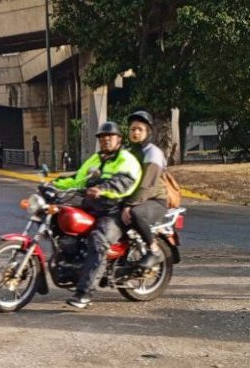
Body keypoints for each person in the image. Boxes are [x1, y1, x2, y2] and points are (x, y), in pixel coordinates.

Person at [52, 121, 142, 309]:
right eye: (102, 137)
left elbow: (124, 181)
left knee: (98, 239)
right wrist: (53, 183)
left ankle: (84, 293)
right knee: (59, 220)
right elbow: (77, 179)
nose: (106, 140)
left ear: (119, 139)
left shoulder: (126, 159)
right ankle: (71, 266)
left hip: (114, 210)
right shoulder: (95, 159)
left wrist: (102, 188)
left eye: (110, 136)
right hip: (91, 207)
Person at [121, 111, 167, 269]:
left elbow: (146, 185)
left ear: (148, 132)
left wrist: (129, 205)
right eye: (133, 129)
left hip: (154, 200)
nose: (135, 132)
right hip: (134, 199)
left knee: (136, 214)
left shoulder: (153, 153)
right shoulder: (128, 152)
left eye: (140, 129)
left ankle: (154, 250)